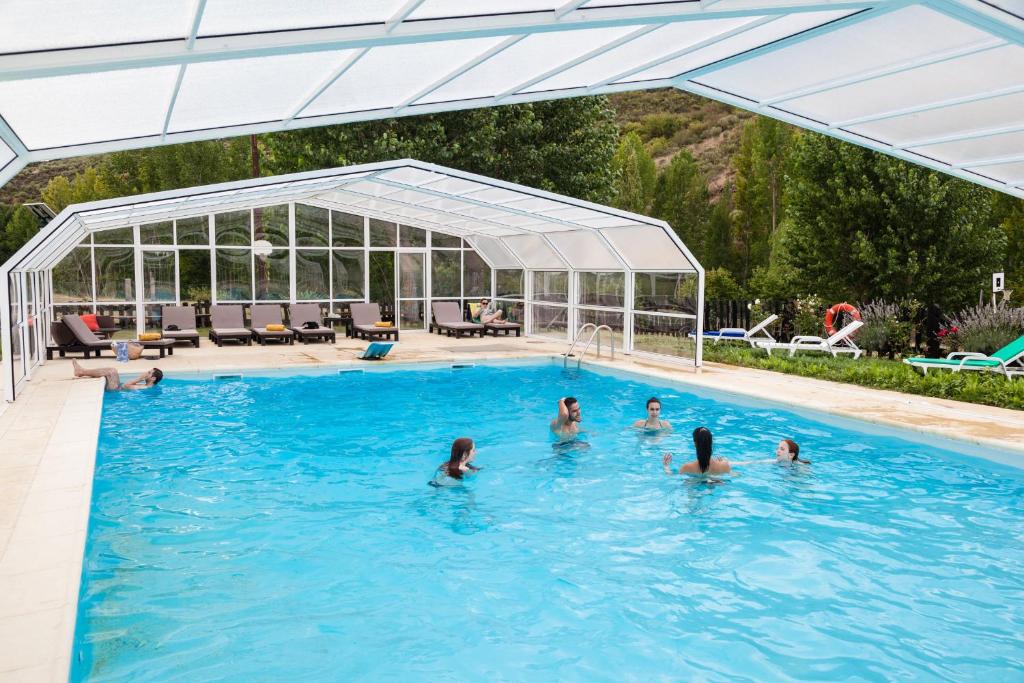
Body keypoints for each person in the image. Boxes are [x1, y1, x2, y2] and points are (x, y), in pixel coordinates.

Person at [663, 427, 731, 475]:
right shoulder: (725, 466)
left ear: (695, 443)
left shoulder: (687, 467)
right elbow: (735, 475)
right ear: (711, 442)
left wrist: (666, 465)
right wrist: (725, 461)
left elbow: (670, 474)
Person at [72, 359, 162, 392]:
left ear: (153, 378)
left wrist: (140, 378)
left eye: (149, 373)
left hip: (115, 390)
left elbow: (126, 386)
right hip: (118, 388)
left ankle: (81, 372)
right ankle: (82, 371)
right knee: (112, 371)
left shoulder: (145, 388)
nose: (146, 373)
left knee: (111, 371)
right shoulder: (148, 387)